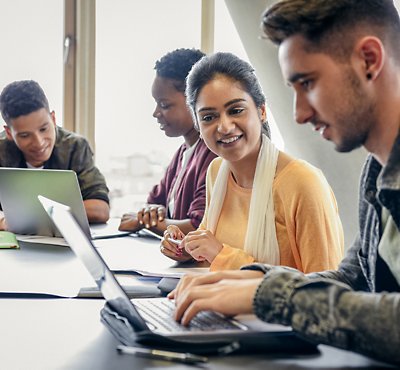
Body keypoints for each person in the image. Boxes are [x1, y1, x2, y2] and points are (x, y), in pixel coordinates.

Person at [169, 0, 400, 366]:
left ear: (369, 59)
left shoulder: (306, 180)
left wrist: (274, 296)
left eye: (308, 83)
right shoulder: (376, 170)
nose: (299, 114)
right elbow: (353, 278)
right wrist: (250, 281)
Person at [162, 52, 344, 272]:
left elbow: (325, 292)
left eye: (236, 110)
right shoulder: (217, 172)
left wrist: (222, 254)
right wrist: (184, 248)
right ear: (198, 126)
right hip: (219, 302)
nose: (225, 127)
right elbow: (210, 253)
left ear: (262, 111)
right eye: (209, 117)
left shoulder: (303, 184)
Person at [119, 48, 217, 237]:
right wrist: (150, 215)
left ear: (195, 100)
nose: (156, 113)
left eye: (164, 105)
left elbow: (198, 227)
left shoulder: (213, 155)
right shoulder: (182, 153)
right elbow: (154, 202)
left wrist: (143, 221)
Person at [0, 80, 110, 229]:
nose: (39, 143)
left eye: (44, 129)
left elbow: (101, 209)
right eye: (25, 135)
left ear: (53, 118)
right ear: (9, 133)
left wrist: (33, 216)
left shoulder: (75, 147)